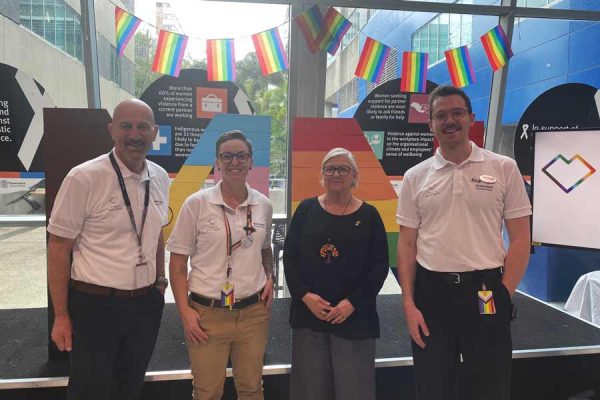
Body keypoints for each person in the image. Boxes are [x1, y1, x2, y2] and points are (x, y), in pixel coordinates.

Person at [396, 85, 532, 400]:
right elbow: (406, 245)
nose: (450, 120)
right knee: (432, 385)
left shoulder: (503, 168)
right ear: (430, 124)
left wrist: (504, 293)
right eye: (440, 115)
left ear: (471, 118)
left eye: (457, 112)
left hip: (486, 291)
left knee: (489, 385)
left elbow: (521, 239)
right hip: (432, 295)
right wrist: (408, 303)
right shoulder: (415, 177)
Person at [47, 98, 170, 400]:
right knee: (90, 391)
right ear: (111, 129)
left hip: (144, 306)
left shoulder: (161, 177)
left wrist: (160, 282)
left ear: (154, 132)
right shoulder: (84, 177)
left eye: (142, 127)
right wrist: (61, 315)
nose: (134, 134)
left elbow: (155, 235)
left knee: (129, 387)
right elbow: (59, 247)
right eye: (126, 126)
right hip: (94, 306)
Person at [167, 130, 274, 400]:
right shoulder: (197, 204)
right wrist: (185, 312)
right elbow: (178, 263)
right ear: (218, 161)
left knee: (252, 388)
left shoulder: (263, 205)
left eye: (241, 156)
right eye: (227, 156)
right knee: (207, 392)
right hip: (207, 315)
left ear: (251, 162)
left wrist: (270, 276)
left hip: (253, 314)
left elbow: (265, 248)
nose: (234, 162)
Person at [284, 147, 389, 400]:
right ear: (322, 174)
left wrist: (352, 303)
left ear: (354, 175)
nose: (336, 174)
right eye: (330, 168)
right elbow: (290, 258)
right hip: (310, 316)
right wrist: (305, 297)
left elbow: (379, 267)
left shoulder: (370, 216)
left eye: (343, 168)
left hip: (354, 319)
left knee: (354, 391)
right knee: (309, 390)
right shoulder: (306, 210)